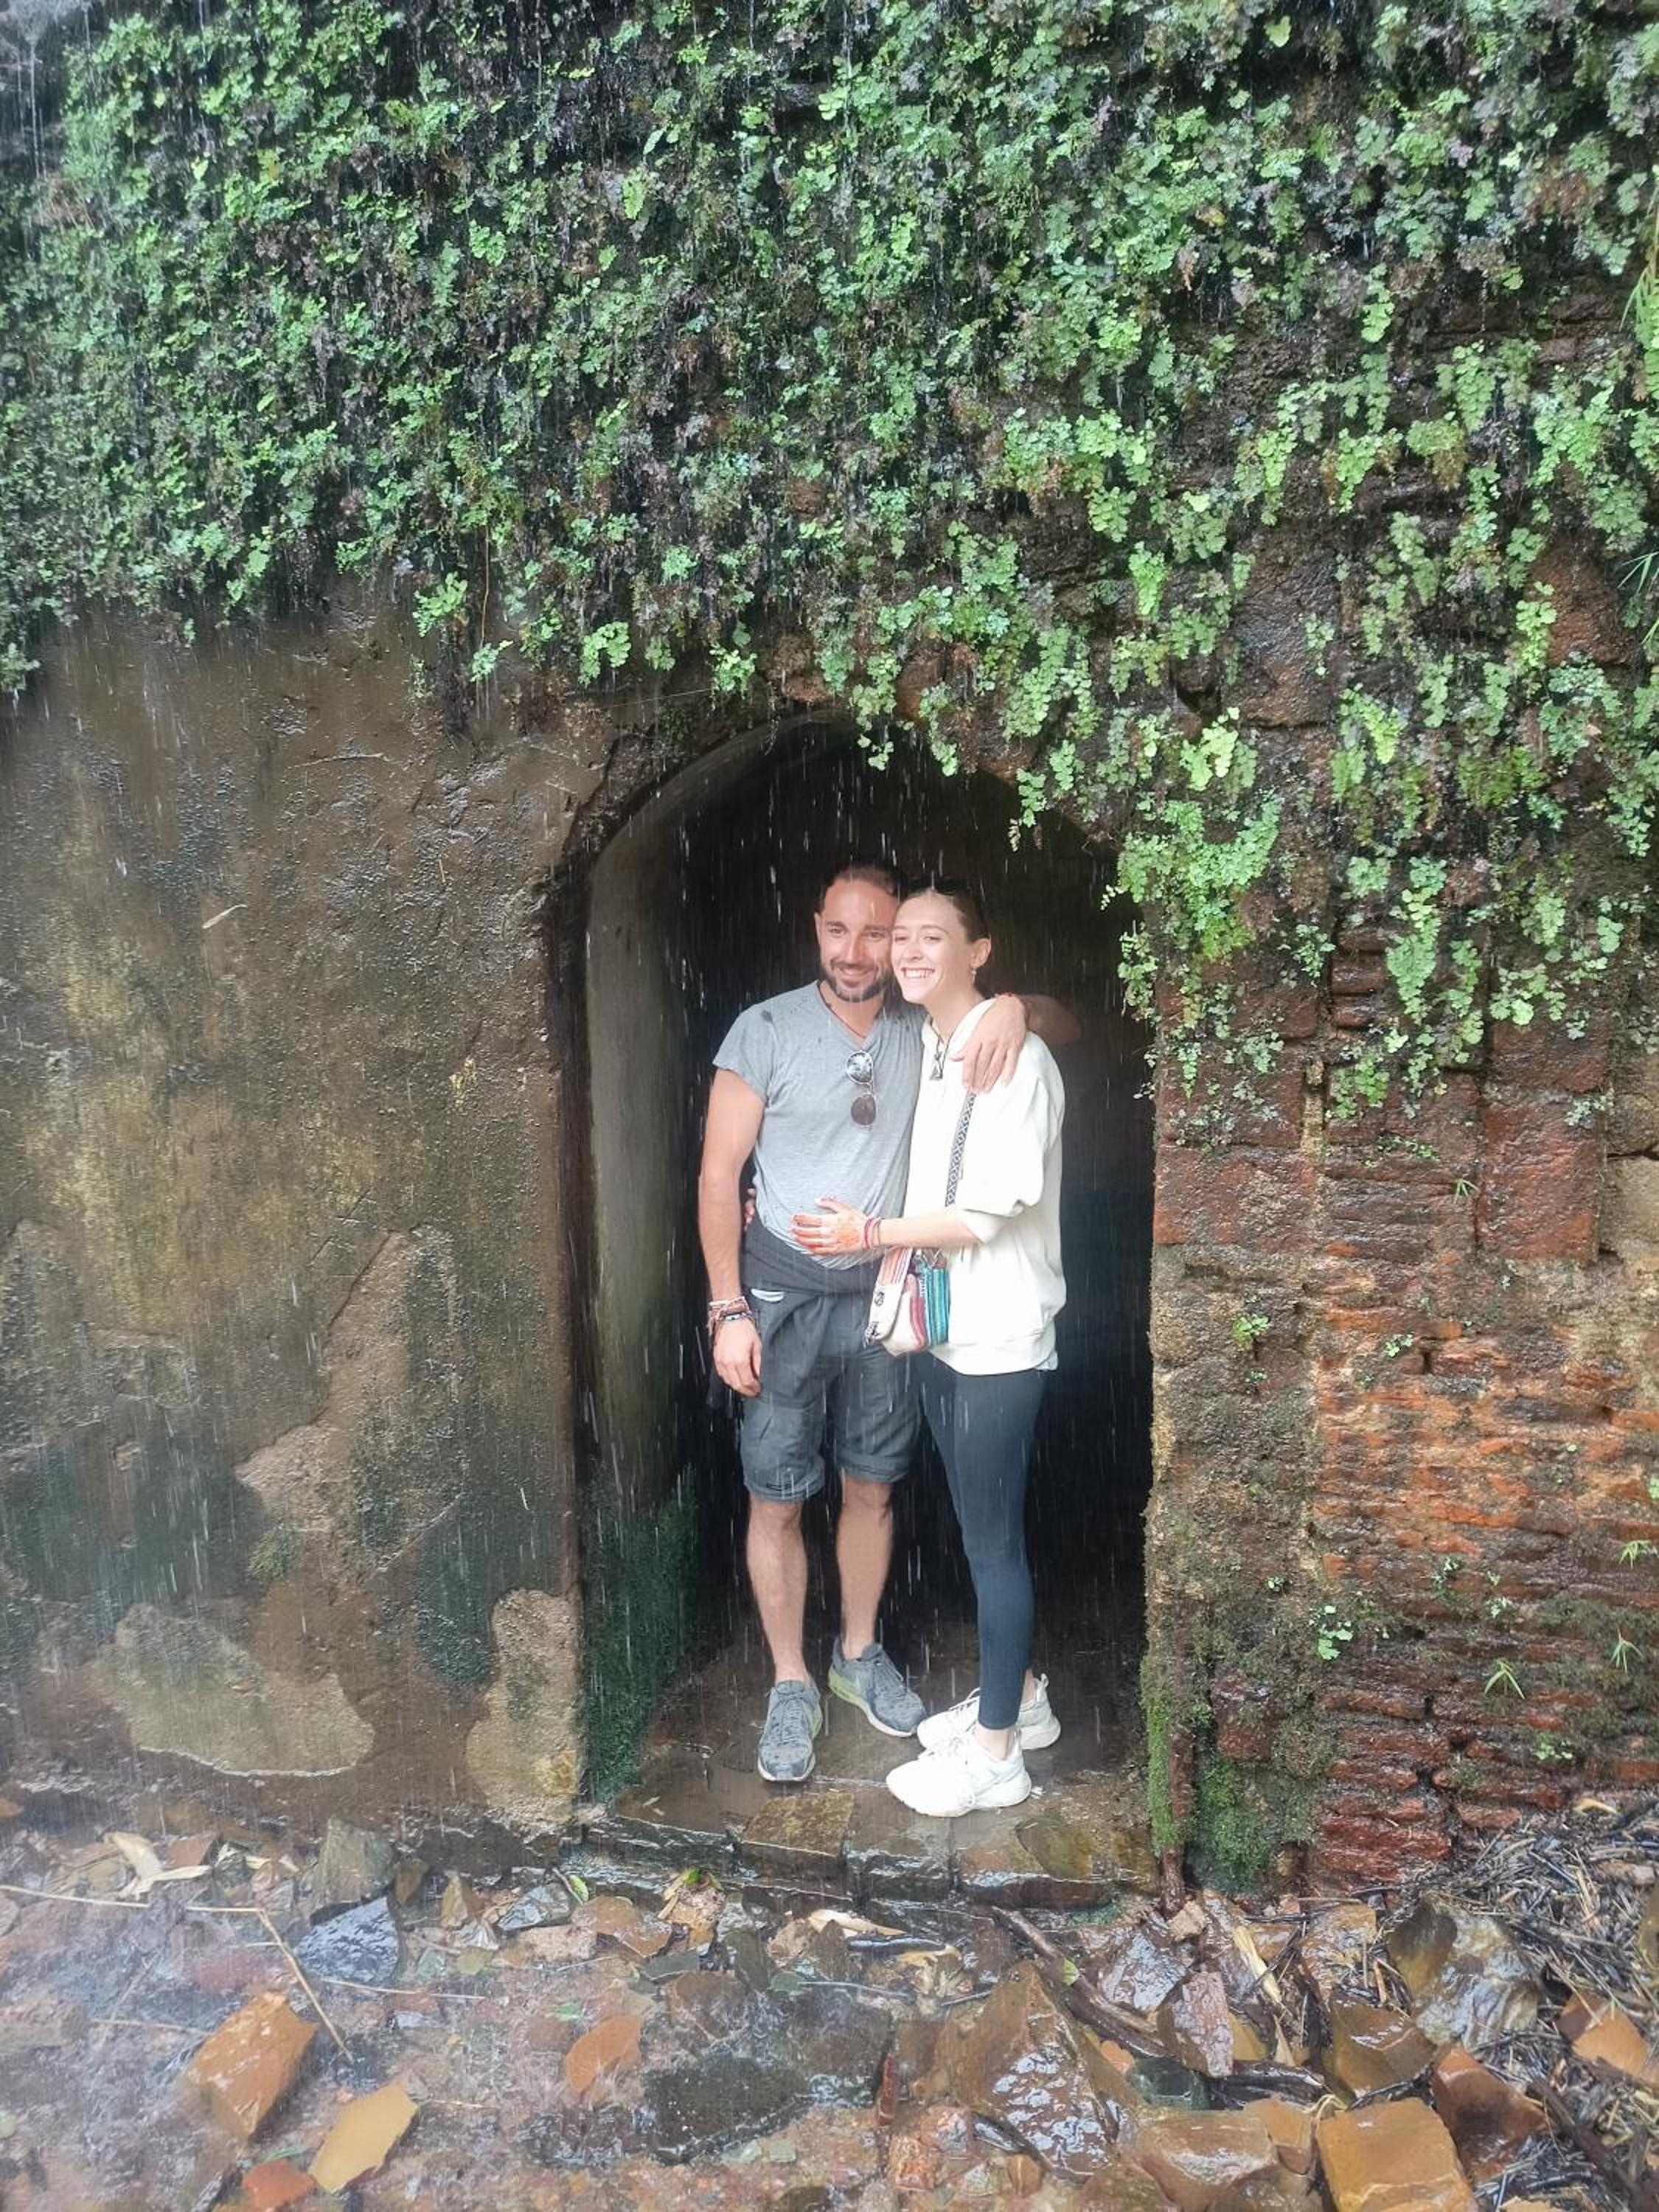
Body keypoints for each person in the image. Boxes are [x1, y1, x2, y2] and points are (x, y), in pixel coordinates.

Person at [698, 862, 1071, 1785]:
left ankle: (857, 1655)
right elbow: (717, 1176)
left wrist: (1019, 1006)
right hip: (781, 1298)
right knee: (776, 1494)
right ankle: (791, 1680)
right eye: (844, 931)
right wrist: (726, 1307)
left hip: (890, 1301)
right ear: (815, 928)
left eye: (885, 934)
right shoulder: (765, 1030)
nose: (862, 952)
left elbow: (1059, 1024)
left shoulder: (926, 1026)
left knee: (872, 1485)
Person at [793, 882, 1065, 1817]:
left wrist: (869, 1234)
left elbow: (983, 1215)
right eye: (900, 936)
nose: (908, 951)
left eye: (932, 937)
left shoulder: (1016, 1058)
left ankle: (998, 1756)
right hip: (948, 1335)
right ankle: (1020, 1699)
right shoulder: (935, 1043)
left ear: (977, 950)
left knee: (994, 1544)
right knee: (978, 1526)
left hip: (998, 1339)